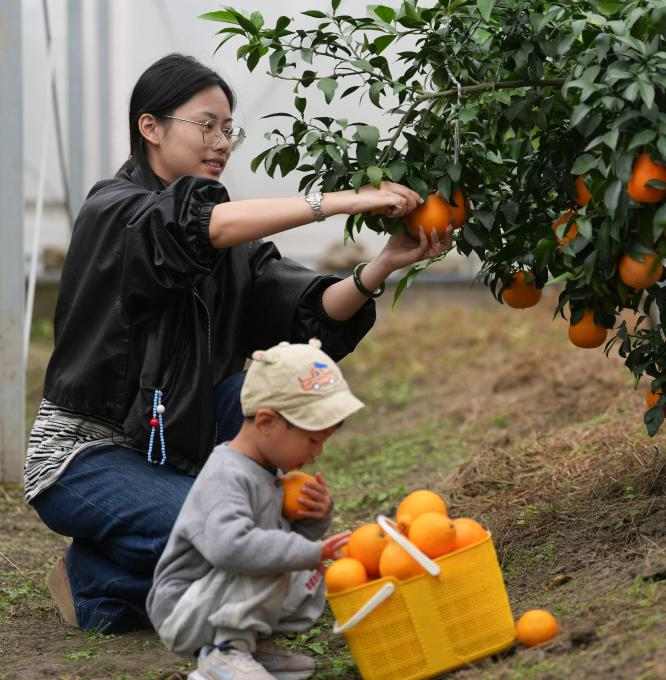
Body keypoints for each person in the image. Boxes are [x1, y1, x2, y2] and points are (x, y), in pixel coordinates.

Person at [24, 53, 451, 633]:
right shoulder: (114, 212)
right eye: (206, 125)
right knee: (233, 544)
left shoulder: (227, 239)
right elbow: (191, 228)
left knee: (275, 400)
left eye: (229, 129)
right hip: (85, 456)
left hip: (176, 438)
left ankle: (110, 564)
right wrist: (341, 200)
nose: (222, 141)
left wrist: (381, 266)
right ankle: (94, 578)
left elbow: (304, 312)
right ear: (150, 127)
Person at [148, 340, 359, 680]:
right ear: (266, 422)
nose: (318, 452)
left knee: (300, 566)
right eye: (312, 439)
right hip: (185, 609)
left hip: (217, 602)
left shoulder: (269, 473)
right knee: (270, 555)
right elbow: (232, 548)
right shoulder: (226, 475)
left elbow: (280, 540)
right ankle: (224, 654)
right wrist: (309, 549)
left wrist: (314, 520)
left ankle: (247, 650)